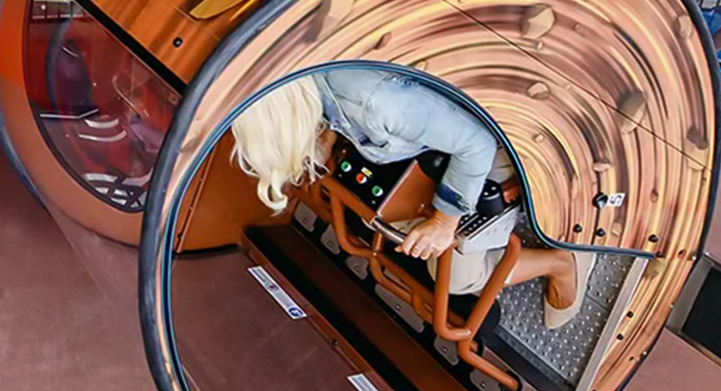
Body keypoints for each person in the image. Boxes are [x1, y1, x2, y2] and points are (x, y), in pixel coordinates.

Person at [229, 69, 592, 329]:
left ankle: (560, 262)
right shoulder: (307, 83)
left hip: (495, 141)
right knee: (396, 230)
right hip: (426, 147)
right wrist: (324, 132)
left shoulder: (375, 104)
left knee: (455, 280)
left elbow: (476, 143)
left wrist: (444, 221)